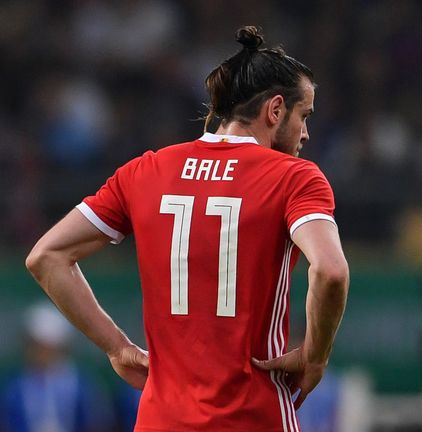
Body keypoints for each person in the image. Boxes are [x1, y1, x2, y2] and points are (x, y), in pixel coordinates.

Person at [25, 26, 349, 432]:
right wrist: (315, 357)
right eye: (304, 116)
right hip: (252, 416)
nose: (305, 133)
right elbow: (331, 271)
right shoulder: (296, 178)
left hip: (162, 418)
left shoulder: (145, 170)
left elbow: (46, 256)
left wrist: (117, 347)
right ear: (275, 109)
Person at [1, 303, 113, 432]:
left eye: (47, 347)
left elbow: (98, 424)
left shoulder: (83, 386)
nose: (41, 353)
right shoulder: (14, 388)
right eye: (36, 346)